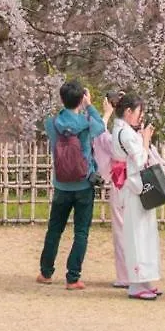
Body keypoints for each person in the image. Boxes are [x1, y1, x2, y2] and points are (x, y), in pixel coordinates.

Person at [37, 80, 105, 290]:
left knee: (54, 229)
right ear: (81, 98)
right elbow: (101, 126)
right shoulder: (87, 123)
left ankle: (46, 273)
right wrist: (89, 105)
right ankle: (73, 278)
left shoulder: (52, 124)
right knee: (81, 232)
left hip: (61, 185)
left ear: (62, 99)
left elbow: (56, 120)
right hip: (83, 184)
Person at [112, 93, 162, 299]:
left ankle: (144, 280)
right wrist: (146, 140)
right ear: (128, 111)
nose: (140, 116)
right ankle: (136, 283)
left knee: (144, 234)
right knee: (137, 235)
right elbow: (140, 160)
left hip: (135, 187)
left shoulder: (123, 131)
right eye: (139, 112)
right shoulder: (124, 133)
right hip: (133, 188)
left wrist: (142, 138)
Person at [90, 93, 125, 288]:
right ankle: (138, 274)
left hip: (121, 183)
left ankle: (125, 275)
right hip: (136, 183)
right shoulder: (134, 131)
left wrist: (105, 114)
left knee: (121, 230)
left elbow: (100, 136)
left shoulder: (118, 134)